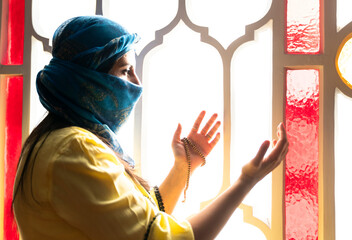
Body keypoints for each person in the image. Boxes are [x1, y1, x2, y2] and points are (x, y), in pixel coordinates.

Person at [12, 15, 289, 240]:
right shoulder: (75, 147)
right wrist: (246, 180)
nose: (136, 83)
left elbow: (137, 224)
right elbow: (161, 238)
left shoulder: (50, 143)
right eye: (124, 71)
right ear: (88, 79)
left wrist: (185, 165)